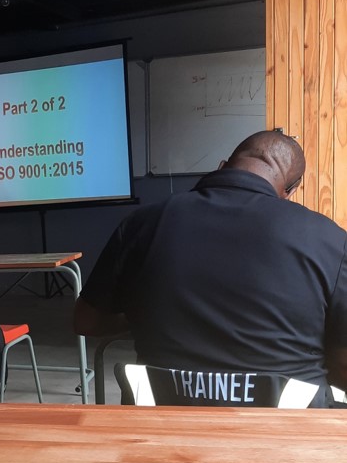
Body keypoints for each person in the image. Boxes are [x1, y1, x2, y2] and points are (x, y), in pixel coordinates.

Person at [74, 130, 347, 401]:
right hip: (288, 425)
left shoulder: (140, 224)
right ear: (291, 190)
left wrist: (145, 318)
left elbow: (86, 321)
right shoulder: (330, 239)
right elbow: (342, 362)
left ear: (221, 166)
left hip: (161, 421)